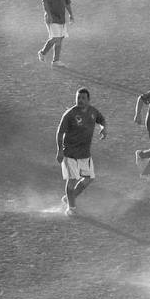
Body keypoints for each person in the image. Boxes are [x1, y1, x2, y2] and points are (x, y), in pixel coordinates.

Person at [55, 87, 106, 216]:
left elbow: (102, 120)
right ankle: (71, 208)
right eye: (78, 98)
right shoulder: (70, 114)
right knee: (72, 180)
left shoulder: (93, 112)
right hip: (70, 153)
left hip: (84, 153)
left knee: (88, 178)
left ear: (88, 100)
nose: (80, 100)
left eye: (83, 98)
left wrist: (103, 128)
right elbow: (60, 133)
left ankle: (68, 198)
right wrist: (60, 150)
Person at [37, 0, 73, 67]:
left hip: (61, 18)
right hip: (52, 18)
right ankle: (42, 53)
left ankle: (56, 61)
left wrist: (71, 14)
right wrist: (48, 15)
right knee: (55, 38)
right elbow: (45, 2)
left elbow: (67, 3)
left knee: (60, 38)